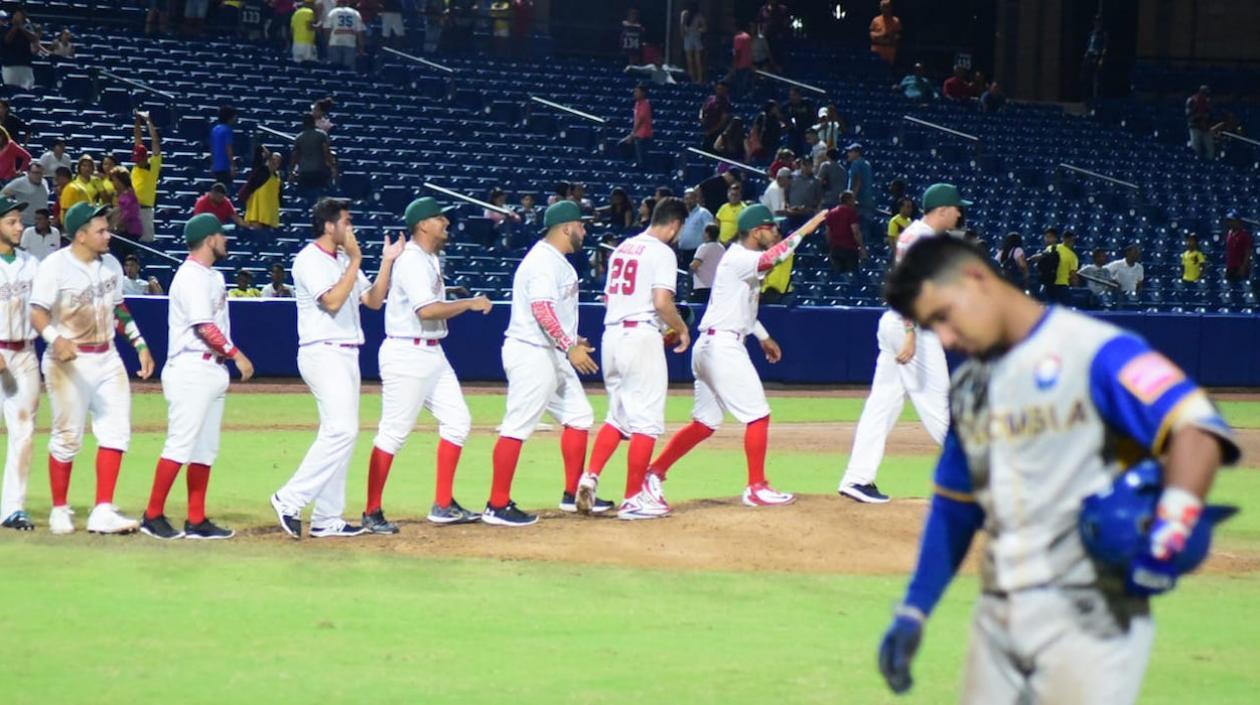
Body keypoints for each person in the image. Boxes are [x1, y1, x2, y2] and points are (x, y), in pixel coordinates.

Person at [876, 234, 1238, 704]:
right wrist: (914, 609)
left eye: (943, 317)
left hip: (1092, 616)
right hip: (999, 614)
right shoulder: (970, 387)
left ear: (976, 279)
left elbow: (1197, 429)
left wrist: (1172, 527)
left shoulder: (1094, 349)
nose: (944, 338)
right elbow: (955, 508)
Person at [646, 206, 828, 508]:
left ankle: (654, 472)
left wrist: (763, 336)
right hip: (722, 349)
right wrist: (807, 228)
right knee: (758, 415)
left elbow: (741, 308)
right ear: (756, 231)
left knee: (704, 423)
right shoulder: (741, 257)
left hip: (711, 345)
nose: (776, 232)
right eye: (771, 227)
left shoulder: (738, 260)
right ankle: (756, 487)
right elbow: (775, 256)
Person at [270, 198, 404, 540]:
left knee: (340, 433)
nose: (352, 228)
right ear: (329, 226)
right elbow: (330, 301)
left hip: (346, 352)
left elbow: (373, 301)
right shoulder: (308, 259)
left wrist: (387, 263)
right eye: (346, 222)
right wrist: (357, 259)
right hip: (322, 351)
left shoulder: (344, 259)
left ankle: (327, 519)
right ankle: (289, 498)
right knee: (342, 431)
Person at [362, 197, 493, 533]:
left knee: (458, 421)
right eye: (439, 219)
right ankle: (371, 511)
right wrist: (469, 303)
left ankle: (443, 503)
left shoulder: (430, 258)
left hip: (431, 351)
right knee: (393, 433)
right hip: (407, 352)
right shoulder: (412, 261)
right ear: (422, 225)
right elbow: (427, 311)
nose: (445, 224)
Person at [31, 202, 156, 535]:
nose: (108, 234)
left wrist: (140, 344)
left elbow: (119, 309)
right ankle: (60, 508)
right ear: (81, 235)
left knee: (116, 431)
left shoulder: (110, 265)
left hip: (107, 356)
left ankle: (103, 509)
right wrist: (54, 339)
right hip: (67, 362)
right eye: (100, 230)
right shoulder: (55, 266)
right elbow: (38, 313)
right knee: (67, 437)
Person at [836, 183, 962, 503]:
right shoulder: (919, 238)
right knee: (942, 408)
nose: (960, 212)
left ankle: (857, 478)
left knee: (882, 405)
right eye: (957, 207)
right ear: (943, 209)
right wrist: (910, 332)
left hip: (900, 324)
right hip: (912, 328)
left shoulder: (923, 237)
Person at [137, 213, 252, 541]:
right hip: (191, 367)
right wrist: (237, 354)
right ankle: (152, 514)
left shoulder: (212, 276)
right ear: (209, 239)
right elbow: (204, 327)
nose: (226, 239)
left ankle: (196, 519)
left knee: (205, 449)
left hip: (211, 369)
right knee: (180, 443)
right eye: (222, 234)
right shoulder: (190, 277)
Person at [483, 201, 597, 527]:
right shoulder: (544, 262)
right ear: (565, 228)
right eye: (580, 225)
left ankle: (572, 493)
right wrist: (568, 345)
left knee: (578, 415)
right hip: (532, 352)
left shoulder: (554, 260)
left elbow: (552, 313)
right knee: (517, 425)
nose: (584, 230)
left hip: (550, 351)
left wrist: (571, 342)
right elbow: (541, 309)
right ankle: (497, 504)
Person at [578, 198, 691, 519]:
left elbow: (611, 296)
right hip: (640, 335)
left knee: (619, 416)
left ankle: (590, 477)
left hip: (612, 334)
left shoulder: (623, 248)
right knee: (647, 422)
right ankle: (633, 498)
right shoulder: (662, 252)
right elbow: (661, 301)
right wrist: (680, 328)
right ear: (675, 225)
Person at [0, 197, 39, 530]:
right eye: (11, 221)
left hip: (24, 355)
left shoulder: (31, 264)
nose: (19, 226)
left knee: (23, 433)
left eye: (19, 221)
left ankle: (12, 508)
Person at [131, 110, 162, 242]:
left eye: (139, 158)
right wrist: (137, 119)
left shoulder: (152, 167)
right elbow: (137, 139)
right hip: (132, 209)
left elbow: (155, 141)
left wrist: (148, 121)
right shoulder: (136, 167)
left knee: (146, 241)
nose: (137, 161)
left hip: (145, 210)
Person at [240, 146, 284, 228]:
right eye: (273, 159)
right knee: (257, 234)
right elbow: (258, 149)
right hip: (257, 211)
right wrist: (268, 154)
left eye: (278, 161)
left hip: (270, 213)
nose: (275, 162)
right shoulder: (260, 170)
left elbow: (279, 196)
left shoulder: (277, 177)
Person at [291, 113, 337, 190]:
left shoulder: (299, 137)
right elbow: (326, 152)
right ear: (313, 122)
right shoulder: (321, 134)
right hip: (319, 170)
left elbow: (295, 156)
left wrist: (291, 171)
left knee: (305, 195)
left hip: (304, 171)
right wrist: (332, 166)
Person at [107, 169, 143, 257]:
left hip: (129, 232)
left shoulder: (128, 195)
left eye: (114, 180)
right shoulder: (119, 194)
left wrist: (116, 227)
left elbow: (127, 215)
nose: (113, 183)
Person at [825, 191, 864, 273]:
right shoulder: (850, 213)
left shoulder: (831, 213)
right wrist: (862, 247)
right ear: (848, 200)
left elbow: (828, 232)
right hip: (849, 249)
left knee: (838, 275)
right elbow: (855, 232)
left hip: (835, 249)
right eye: (853, 200)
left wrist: (830, 246)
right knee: (851, 275)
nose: (855, 202)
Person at [322, 0, 365, 70]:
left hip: (335, 42)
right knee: (348, 69)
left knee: (334, 67)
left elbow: (327, 29)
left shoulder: (333, 12)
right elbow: (360, 32)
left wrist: (327, 43)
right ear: (347, 2)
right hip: (350, 43)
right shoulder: (355, 13)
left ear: (338, 2)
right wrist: (361, 47)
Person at [677, 187, 714, 267]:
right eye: (686, 199)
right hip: (682, 253)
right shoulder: (683, 214)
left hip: (697, 253)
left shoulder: (703, 213)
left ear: (696, 199)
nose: (688, 201)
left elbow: (711, 232)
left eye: (691, 198)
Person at [619, 84, 653, 168]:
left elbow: (640, 120)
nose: (635, 93)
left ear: (643, 93)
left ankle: (639, 168)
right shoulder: (637, 104)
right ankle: (630, 163)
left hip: (643, 134)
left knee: (640, 156)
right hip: (637, 133)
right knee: (622, 144)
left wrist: (632, 134)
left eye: (637, 92)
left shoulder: (645, 104)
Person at [1, 9, 36, 89]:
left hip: (26, 65)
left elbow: (33, 38)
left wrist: (21, 27)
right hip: (10, 65)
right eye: (16, 15)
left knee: (27, 90)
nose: (18, 17)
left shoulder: (28, 27)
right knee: (11, 89)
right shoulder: (5, 28)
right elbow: (6, 41)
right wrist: (15, 27)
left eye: (20, 15)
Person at [690, 223, 724, 303]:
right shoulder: (722, 248)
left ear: (707, 233)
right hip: (716, 285)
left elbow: (695, 265)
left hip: (702, 286)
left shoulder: (704, 247)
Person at [699, 81, 732, 151]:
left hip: (716, 132)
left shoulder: (726, 103)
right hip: (706, 128)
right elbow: (702, 109)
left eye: (722, 90)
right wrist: (701, 117)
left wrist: (712, 131)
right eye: (719, 89)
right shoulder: (710, 98)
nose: (720, 91)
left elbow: (723, 121)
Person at [209, 105, 236, 187]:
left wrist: (212, 164)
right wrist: (232, 165)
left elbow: (212, 148)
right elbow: (229, 149)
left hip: (216, 166)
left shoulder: (215, 129)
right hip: (225, 167)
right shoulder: (227, 130)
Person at [1050, 230, 1080, 302]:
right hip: (1060, 286)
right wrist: (1076, 284)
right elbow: (1073, 275)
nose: (1070, 241)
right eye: (1069, 238)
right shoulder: (1073, 256)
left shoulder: (1052, 247)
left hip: (1050, 284)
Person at [1081, 15, 1107, 99]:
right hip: (1089, 55)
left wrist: (1101, 58)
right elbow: (1088, 45)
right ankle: (1086, 96)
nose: (1097, 23)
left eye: (1098, 22)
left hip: (1097, 56)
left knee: (1096, 77)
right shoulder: (1091, 33)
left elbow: (1104, 47)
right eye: (1095, 21)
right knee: (1086, 76)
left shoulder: (1103, 34)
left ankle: (1096, 97)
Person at [869, 0, 901, 65]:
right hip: (877, 49)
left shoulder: (896, 21)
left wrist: (891, 37)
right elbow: (872, 35)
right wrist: (883, 35)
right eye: (883, 7)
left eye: (887, 7)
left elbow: (898, 35)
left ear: (890, 8)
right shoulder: (876, 20)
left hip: (890, 50)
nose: (885, 9)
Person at [681, 3, 705, 84]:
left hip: (692, 37)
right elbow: (682, 25)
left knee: (694, 60)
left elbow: (704, 28)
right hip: (691, 36)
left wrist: (697, 30)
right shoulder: (687, 14)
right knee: (693, 60)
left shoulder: (697, 15)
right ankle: (696, 79)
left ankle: (697, 79)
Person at [1187, 85, 1213, 160]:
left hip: (1206, 128)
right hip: (1195, 127)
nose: (1205, 95)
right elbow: (1189, 115)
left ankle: (1209, 164)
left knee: (1210, 148)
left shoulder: (1208, 101)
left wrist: (1206, 118)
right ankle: (1196, 163)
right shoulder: (1192, 100)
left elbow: (1211, 114)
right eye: (1204, 93)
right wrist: (1199, 116)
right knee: (1195, 147)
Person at [1224, 211, 1252, 282]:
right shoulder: (1229, 233)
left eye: (1231, 220)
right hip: (1230, 267)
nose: (1229, 223)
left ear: (1237, 221)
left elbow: (1248, 253)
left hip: (1239, 268)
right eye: (1228, 220)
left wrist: (1243, 267)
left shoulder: (1244, 235)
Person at [728, 21, 754, 96]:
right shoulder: (748, 36)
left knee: (738, 84)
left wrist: (734, 65)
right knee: (744, 83)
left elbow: (737, 52)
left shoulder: (738, 37)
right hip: (747, 63)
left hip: (740, 65)